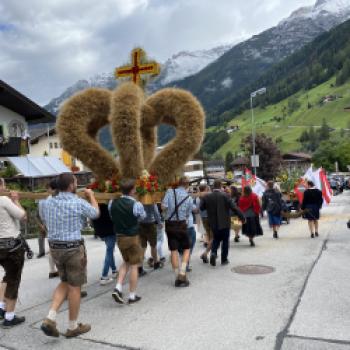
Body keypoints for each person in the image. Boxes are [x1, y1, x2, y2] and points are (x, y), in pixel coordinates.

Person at [39, 173, 100, 338]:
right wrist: (91, 196)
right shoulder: (78, 202)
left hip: (55, 248)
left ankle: (50, 318)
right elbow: (95, 213)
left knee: (64, 282)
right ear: (72, 186)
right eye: (75, 182)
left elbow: (44, 219)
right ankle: (72, 326)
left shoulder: (47, 202)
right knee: (74, 288)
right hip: (73, 248)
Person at [109, 179, 146, 304]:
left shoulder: (112, 202)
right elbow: (142, 217)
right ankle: (132, 295)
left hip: (119, 236)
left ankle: (118, 287)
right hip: (132, 236)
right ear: (132, 190)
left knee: (126, 262)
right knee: (134, 265)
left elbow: (112, 215)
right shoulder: (136, 204)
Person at [0, 178, 27, 327]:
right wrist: (16, 200)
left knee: (7, 275)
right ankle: (9, 317)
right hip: (11, 246)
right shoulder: (3, 199)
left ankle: (1, 307)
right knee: (13, 280)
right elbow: (23, 216)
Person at [200, 180, 245, 266]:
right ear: (220, 186)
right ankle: (224, 259)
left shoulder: (207, 197)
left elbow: (201, 208)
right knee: (225, 241)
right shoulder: (226, 196)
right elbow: (234, 208)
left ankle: (213, 253)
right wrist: (242, 217)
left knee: (216, 238)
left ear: (213, 186)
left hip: (213, 222)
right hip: (224, 222)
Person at [162, 176, 193, 287]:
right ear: (187, 185)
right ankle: (182, 272)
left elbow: (163, 206)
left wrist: (167, 213)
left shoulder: (170, 192)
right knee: (186, 248)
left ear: (178, 183)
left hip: (170, 225)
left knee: (174, 250)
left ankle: (177, 277)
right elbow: (188, 214)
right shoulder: (189, 198)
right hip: (181, 225)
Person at [38, 179, 59, 279]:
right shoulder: (55, 199)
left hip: (48, 225)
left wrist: (44, 224)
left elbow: (41, 214)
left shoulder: (42, 200)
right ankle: (58, 269)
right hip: (56, 226)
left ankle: (52, 270)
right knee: (58, 248)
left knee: (52, 248)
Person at [91, 204, 117, 285]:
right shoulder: (105, 206)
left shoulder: (94, 206)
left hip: (101, 232)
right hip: (109, 231)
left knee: (110, 250)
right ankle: (104, 276)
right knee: (109, 252)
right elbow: (111, 218)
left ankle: (114, 270)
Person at [139, 204, 163, 276]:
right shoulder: (151, 201)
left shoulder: (138, 201)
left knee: (142, 246)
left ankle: (140, 267)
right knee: (153, 245)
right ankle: (156, 263)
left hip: (140, 224)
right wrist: (159, 223)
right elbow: (156, 213)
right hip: (150, 225)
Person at [197, 184, 213, 263]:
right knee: (213, 237)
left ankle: (210, 253)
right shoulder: (207, 195)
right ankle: (205, 254)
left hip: (203, 218)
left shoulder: (197, 197)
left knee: (210, 237)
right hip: (210, 217)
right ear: (206, 188)